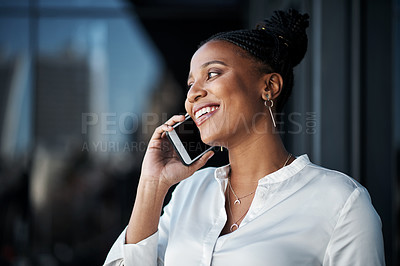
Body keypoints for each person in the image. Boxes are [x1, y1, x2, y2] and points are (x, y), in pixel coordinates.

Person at [104, 9, 385, 266]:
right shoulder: (189, 192)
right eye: (190, 84)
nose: (192, 94)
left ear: (269, 86)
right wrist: (153, 185)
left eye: (212, 74)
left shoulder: (341, 203)